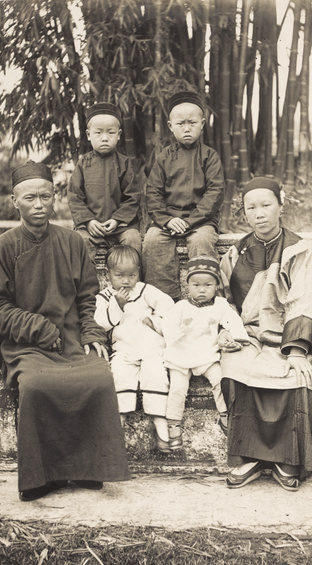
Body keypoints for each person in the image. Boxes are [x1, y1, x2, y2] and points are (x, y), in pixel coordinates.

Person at [0, 161, 130, 501]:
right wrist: (38, 327)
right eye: (30, 198)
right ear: (15, 200)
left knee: (98, 378)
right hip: (27, 345)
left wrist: (92, 334)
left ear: (54, 199)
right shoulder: (4, 247)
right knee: (35, 385)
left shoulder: (72, 242)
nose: (38, 205)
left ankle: (88, 469)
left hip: (72, 339)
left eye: (45, 197)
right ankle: (41, 477)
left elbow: (87, 297)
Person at [219, 177, 312, 491]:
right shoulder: (236, 252)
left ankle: (287, 458)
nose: (259, 213)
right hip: (250, 334)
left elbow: (303, 299)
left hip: (292, 334)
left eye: (266, 205)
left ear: (281, 206)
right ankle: (252, 458)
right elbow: (224, 301)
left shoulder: (298, 248)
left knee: (297, 375)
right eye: (251, 208)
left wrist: (297, 349)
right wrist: (226, 331)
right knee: (235, 367)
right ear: (244, 213)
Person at [142, 91, 224, 300]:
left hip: (201, 221)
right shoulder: (164, 158)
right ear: (170, 126)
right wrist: (167, 220)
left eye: (192, 122)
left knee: (202, 240)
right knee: (152, 240)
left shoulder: (209, 156)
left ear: (202, 124)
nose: (187, 128)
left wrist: (191, 221)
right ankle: (165, 300)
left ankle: (207, 299)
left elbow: (215, 192)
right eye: (180, 123)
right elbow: (153, 192)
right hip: (168, 220)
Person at [162, 256, 250, 449]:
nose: (202, 290)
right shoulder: (180, 307)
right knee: (177, 388)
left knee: (220, 380)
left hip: (207, 354)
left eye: (208, 285)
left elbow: (232, 321)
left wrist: (235, 337)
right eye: (196, 285)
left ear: (216, 285)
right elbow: (167, 325)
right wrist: (178, 332)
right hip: (181, 354)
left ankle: (225, 415)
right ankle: (173, 424)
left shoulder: (220, 305)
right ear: (187, 285)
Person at [94, 245, 174, 453]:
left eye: (132, 275)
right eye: (119, 275)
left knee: (156, 375)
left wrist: (156, 321)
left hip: (151, 347)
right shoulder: (104, 297)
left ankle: (161, 427)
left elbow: (168, 304)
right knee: (118, 375)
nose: (127, 281)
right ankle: (117, 428)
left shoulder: (145, 291)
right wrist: (117, 305)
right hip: (124, 348)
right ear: (108, 274)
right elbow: (101, 323)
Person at [67, 102, 142, 262]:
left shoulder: (125, 164)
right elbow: (75, 197)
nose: (105, 138)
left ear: (119, 134)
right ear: (88, 134)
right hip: (91, 227)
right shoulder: (82, 164)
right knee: (79, 241)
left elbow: (133, 197)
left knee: (133, 239)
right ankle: (85, 286)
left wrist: (117, 220)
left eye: (111, 133)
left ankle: (134, 284)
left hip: (121, 227)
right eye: (99, 133)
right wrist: (88, 221)